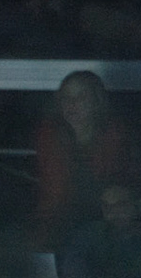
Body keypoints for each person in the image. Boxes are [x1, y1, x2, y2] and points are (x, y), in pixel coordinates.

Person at [34, 70, 133, 250]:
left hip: (105, 220)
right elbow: (54, 194)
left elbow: (116, 185)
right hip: (61, 221)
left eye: (81, 97)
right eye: (66, 98)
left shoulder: (112, 132)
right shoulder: (50, 134)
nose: (72, 104)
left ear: (96, 101)